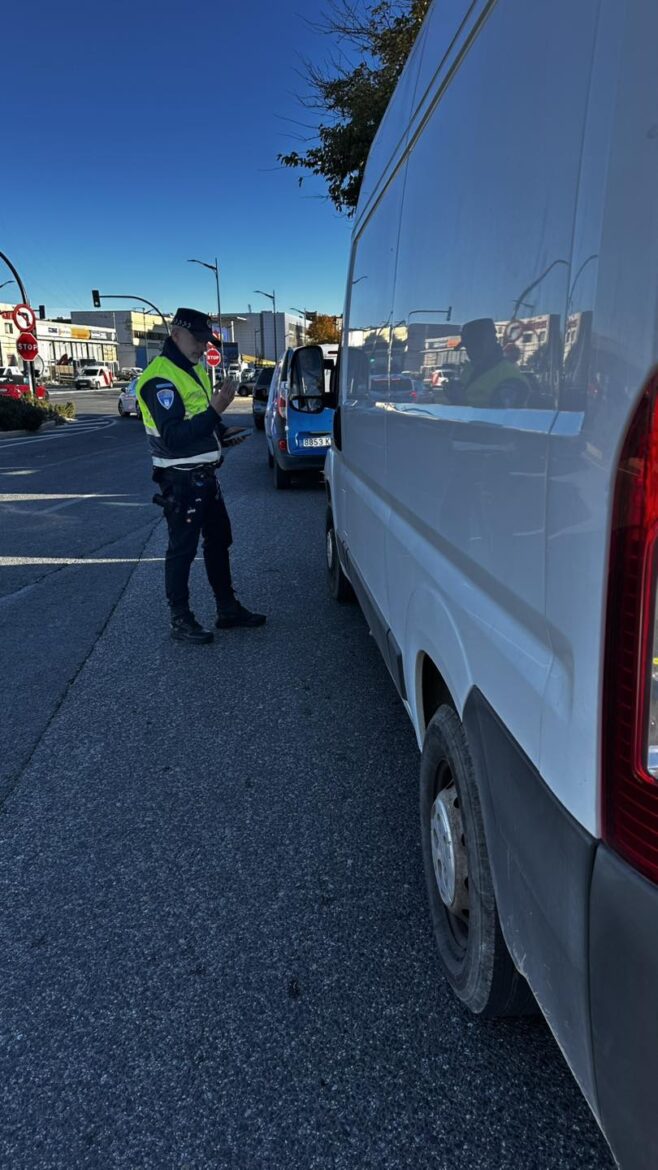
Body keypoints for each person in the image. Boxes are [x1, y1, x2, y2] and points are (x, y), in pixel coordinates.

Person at [136, 307, 266, 645]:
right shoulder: (159, 378)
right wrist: (216, 410)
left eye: (205, 339)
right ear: (176, 334)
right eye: (196, 339)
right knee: (182, 550)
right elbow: (174, 436)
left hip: (204, 476)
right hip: (180, 479)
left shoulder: (191, 369)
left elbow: (199, 420)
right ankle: (180, 618)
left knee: (219, 540)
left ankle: (227, 608)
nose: (201, 345)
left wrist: (222, 432)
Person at [455, 318, 530, 408]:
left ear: (490, 341)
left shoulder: (509, 377)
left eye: (474, 345)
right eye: (467, 346)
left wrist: (461, 401)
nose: (469, 351)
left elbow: (503, 418)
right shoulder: (471, 369)